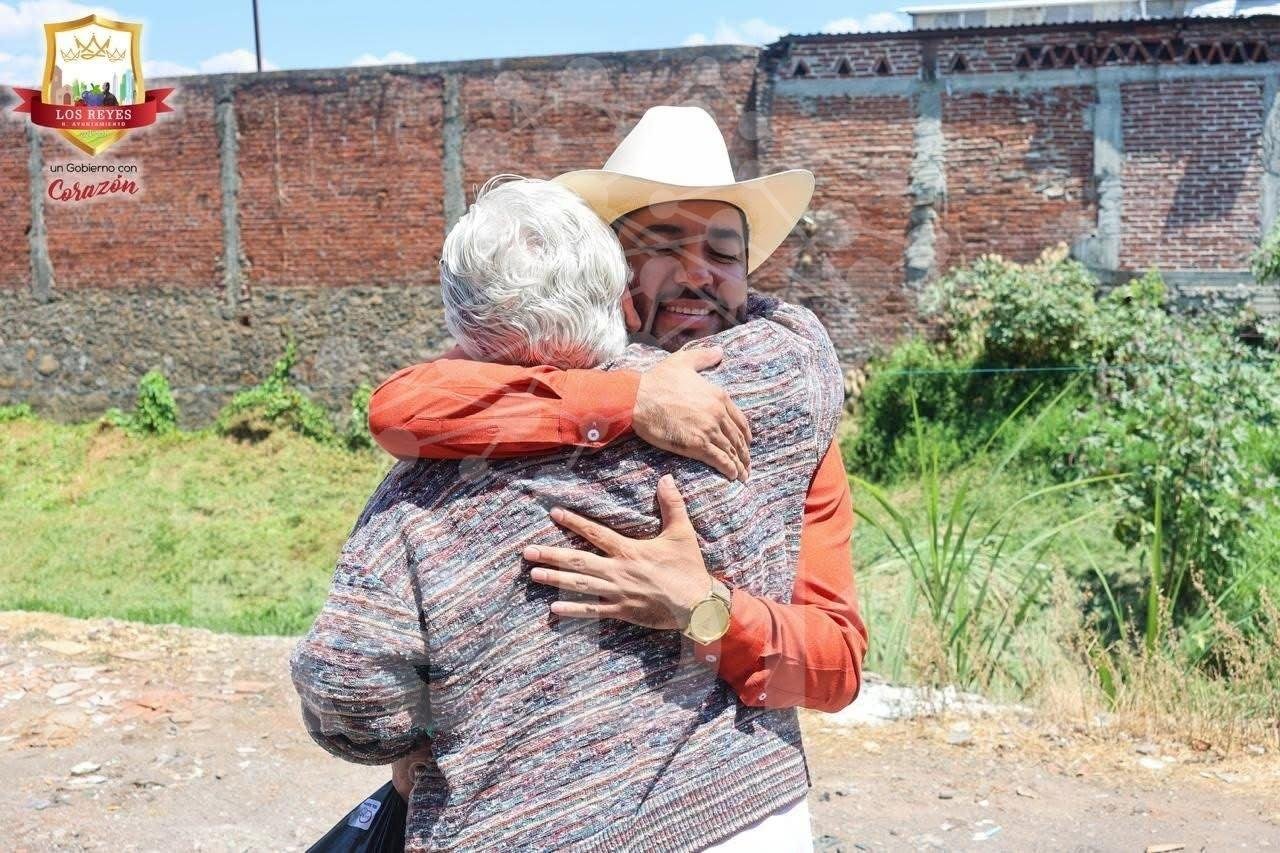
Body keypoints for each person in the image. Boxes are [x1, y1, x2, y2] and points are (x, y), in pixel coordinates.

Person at [291, 174, 845, 850]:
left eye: (725, 253)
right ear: (615, 270)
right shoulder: (485, 408)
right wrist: (629, 400)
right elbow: (402, 405)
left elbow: (836, 662)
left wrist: (704, 607)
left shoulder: (783, 410)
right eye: (666, 244)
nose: (699, 271)